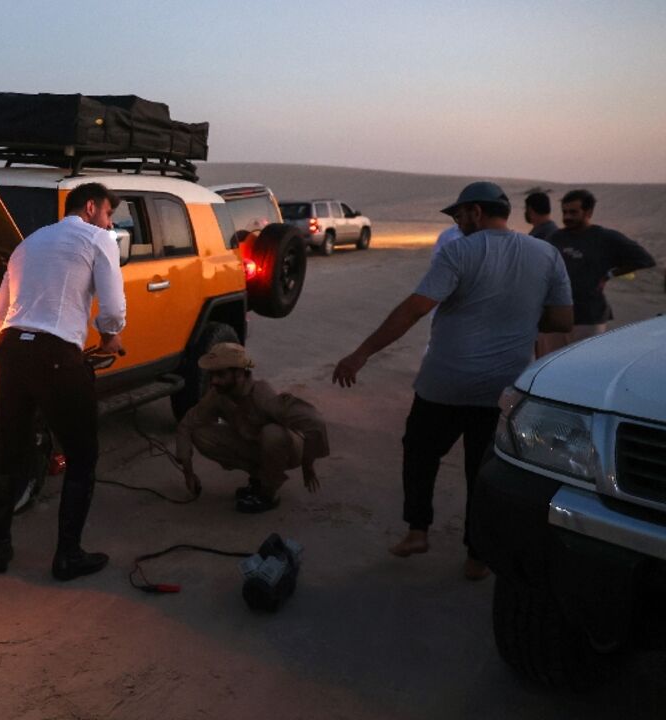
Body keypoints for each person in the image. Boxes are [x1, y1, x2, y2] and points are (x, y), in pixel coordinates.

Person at [332, 181, 572, 581]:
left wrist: (361, 353)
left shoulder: (460, 251)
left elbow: (414, 309)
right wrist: (523, 316)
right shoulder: (547, 254)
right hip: (504, 389)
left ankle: (417, 531)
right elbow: (563, 320)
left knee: (420, 453)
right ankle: (477, 557)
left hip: (445, 384)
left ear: (476, 212)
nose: (458, 224)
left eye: (459, 215)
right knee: (483, 473)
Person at [0, 182, 126, 581]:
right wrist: (110, 335)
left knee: (10, 452)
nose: (110, 223)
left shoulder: (27, 244)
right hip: (56, 357)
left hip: (7, 352)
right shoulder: (98, 239)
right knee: (82, 456)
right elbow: (113, 307)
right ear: (91, 207)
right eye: (108, 214)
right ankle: (68, 555)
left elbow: (0, 314)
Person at [175, 343, 328, 514]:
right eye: (212, 375)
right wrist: (188, 474)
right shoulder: (218, 395)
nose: (213, 381)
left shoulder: (262, 395)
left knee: (272, 434)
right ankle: (259, 479)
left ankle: (268, 493)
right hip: (255, 444)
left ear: (239, 374)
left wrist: (308, 465)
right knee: (200, 434)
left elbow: (314, 422)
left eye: (220, 375)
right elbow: (186, 425)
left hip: (288, 449)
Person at [535, 188, 657, 355]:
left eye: (573, 212)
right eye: (564, 212)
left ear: (588, 212)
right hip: (556, 317)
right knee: (549, 365)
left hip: (589, 318)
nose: (567, 217)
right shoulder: (555, 238)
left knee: (585, 364)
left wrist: (610, 274)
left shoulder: (605, 238)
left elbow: (644, 259)